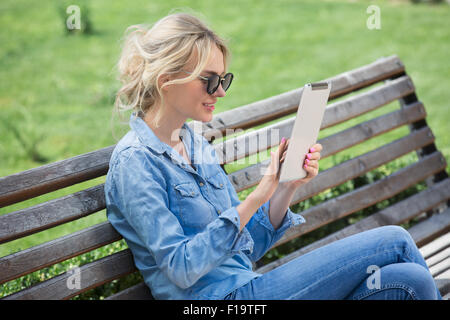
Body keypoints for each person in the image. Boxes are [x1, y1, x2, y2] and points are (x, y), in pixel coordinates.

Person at [104, 12, 442, 300]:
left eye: (223, 80)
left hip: (251, 288)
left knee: (411, 282)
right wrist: (256, 198)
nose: (220, 92)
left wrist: (284, 186)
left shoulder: (195, 144)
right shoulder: (136, 163)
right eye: (209, 81)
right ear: (167, 80)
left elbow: (246, 249)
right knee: (395, 240)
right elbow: (180, 267)